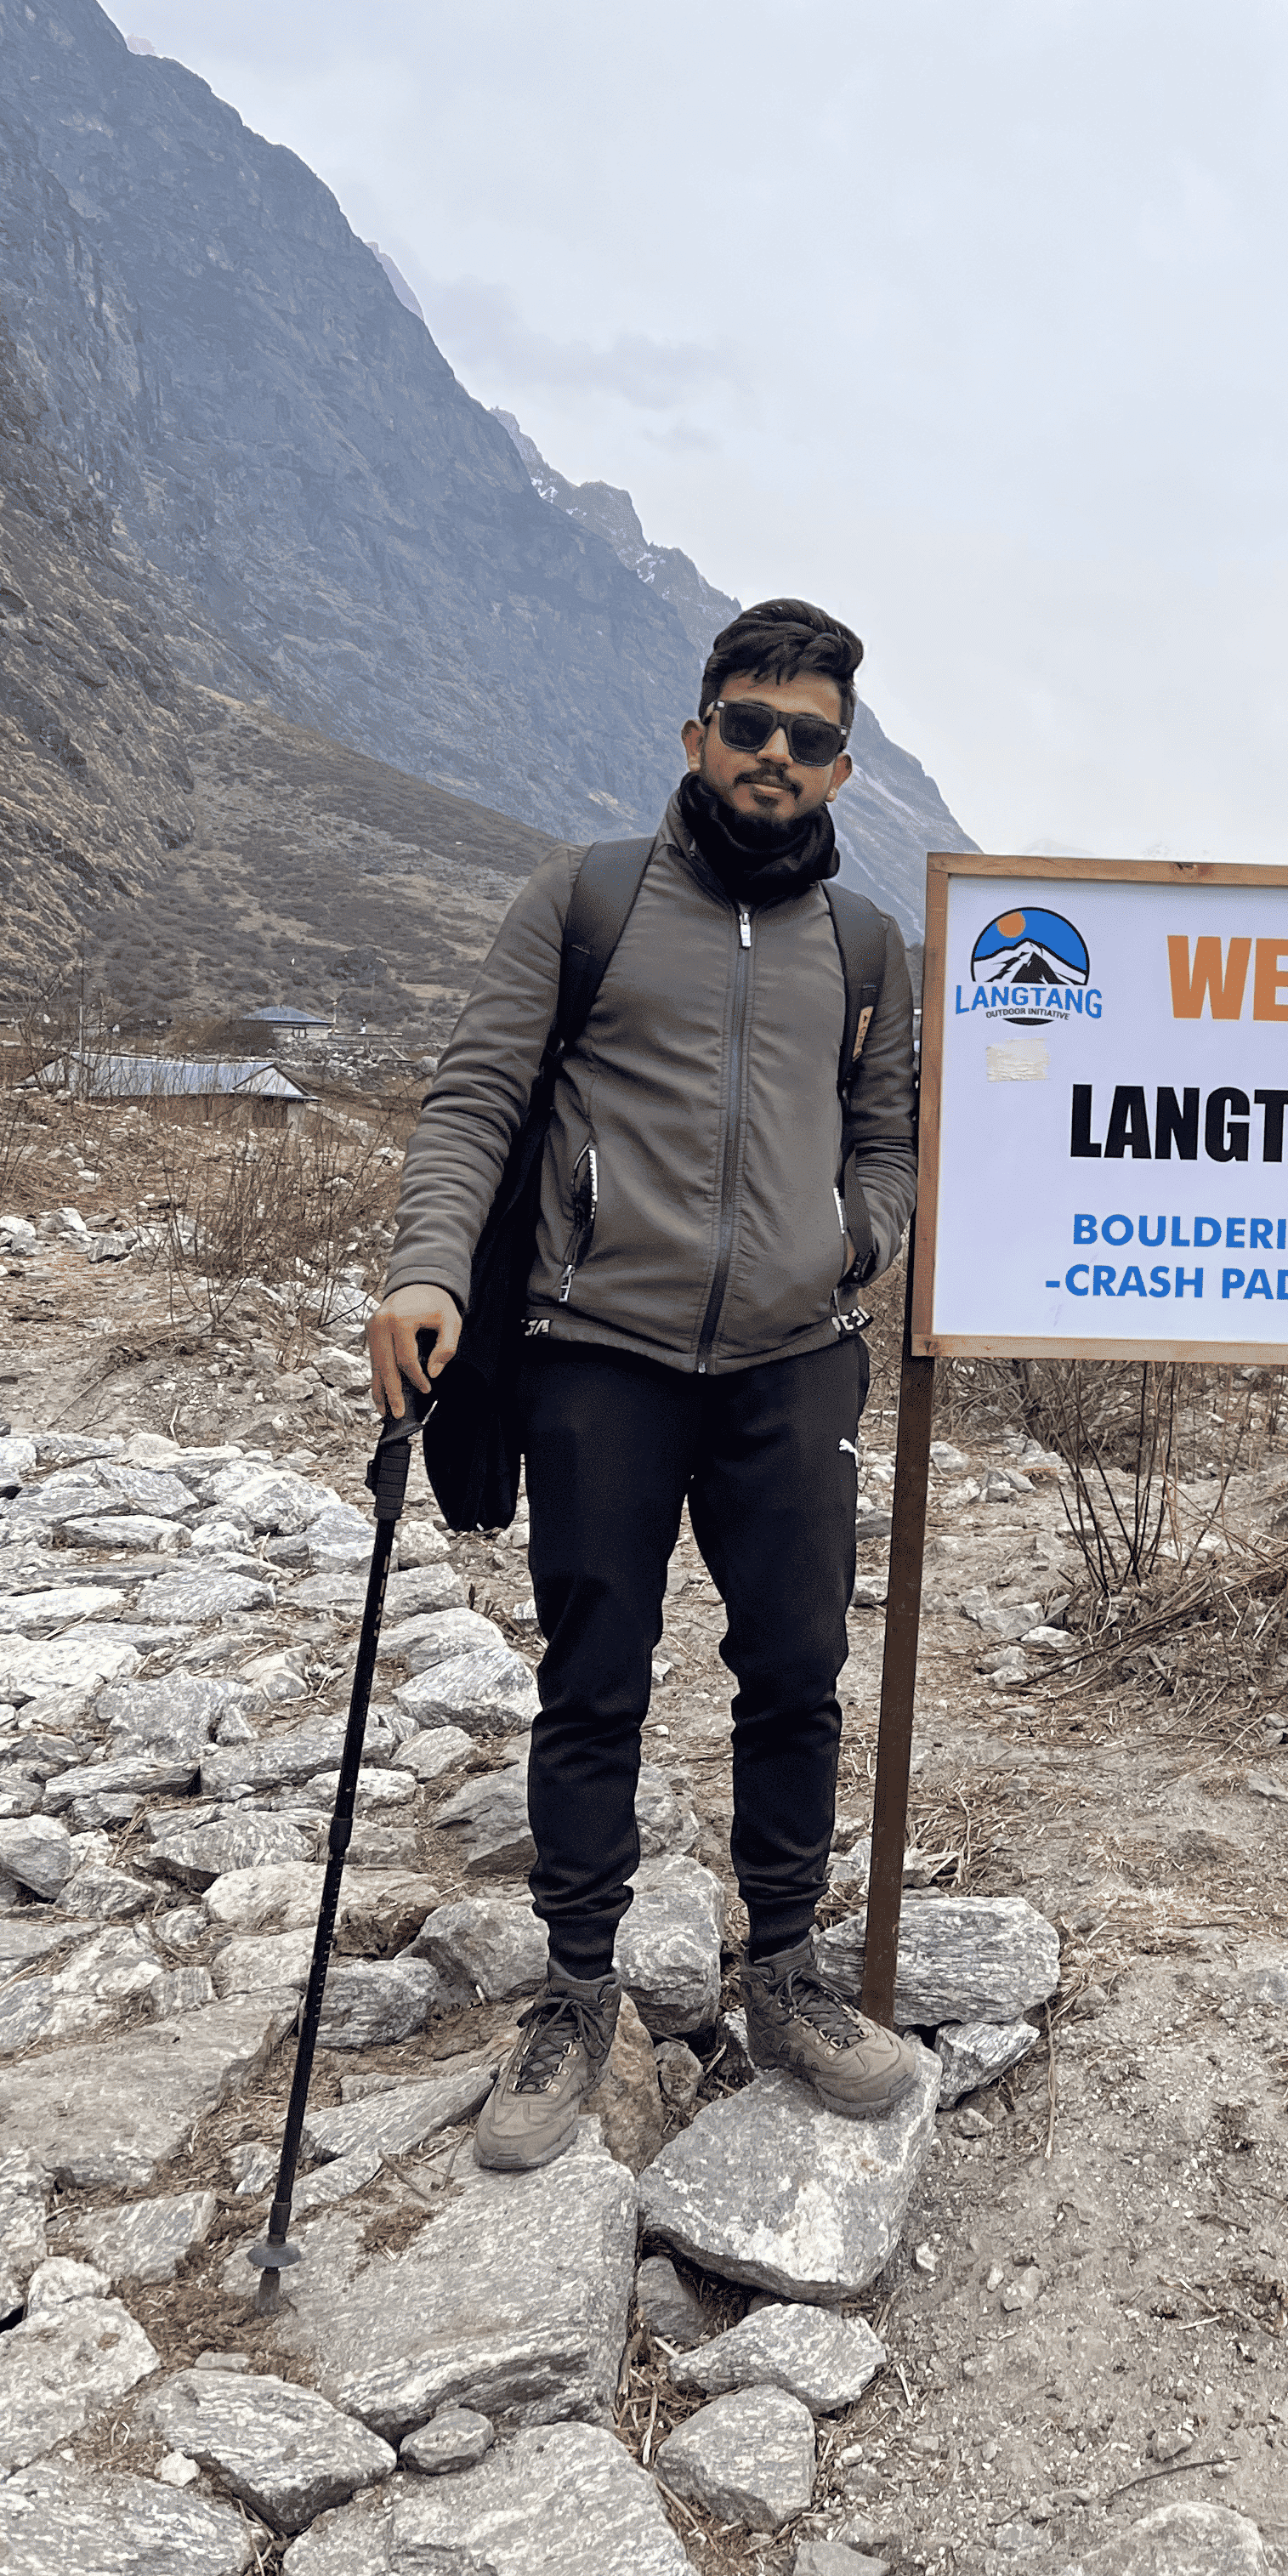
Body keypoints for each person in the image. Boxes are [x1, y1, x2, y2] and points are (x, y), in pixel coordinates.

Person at [369, 597, 922, 2169]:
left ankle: (789, 1976)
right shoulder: (588, 899)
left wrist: (849, 1245)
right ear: (697, 736)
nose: (773, 755)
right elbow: (474, 1092)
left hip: (786, 1363)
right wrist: (423, 1263)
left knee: (796, 1668)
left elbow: (886, 1138)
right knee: (593, 1670)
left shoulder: (866, 946)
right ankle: (574, 1989)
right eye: (748, 725)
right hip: (596, 1355)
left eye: (807, 738)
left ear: (839, 767)